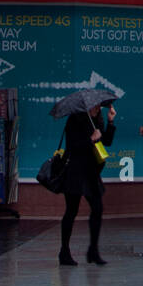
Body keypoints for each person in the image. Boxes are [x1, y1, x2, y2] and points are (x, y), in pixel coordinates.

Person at [59, 102, 116, 266]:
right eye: (95, 107)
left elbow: (107, 141)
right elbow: (72, 145)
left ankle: (93, 250)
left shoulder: (97, 120)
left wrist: (110, 122)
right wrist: (91, 139)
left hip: (91, 171)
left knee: (97, 208)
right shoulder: (75, 119)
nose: (98, 109)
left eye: (99, 107)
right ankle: (64, 251)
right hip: (75, 171)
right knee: (71, 210)